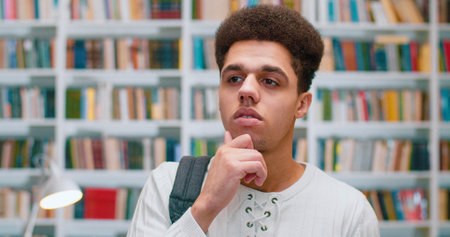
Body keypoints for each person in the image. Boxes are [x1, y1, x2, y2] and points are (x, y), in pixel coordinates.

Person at [128, 4, 379, 237]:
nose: (246, 90)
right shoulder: (167, 185)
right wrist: (204, 207)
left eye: (270, 81)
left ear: (301, 104)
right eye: (234, 78)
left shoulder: (348, 211)